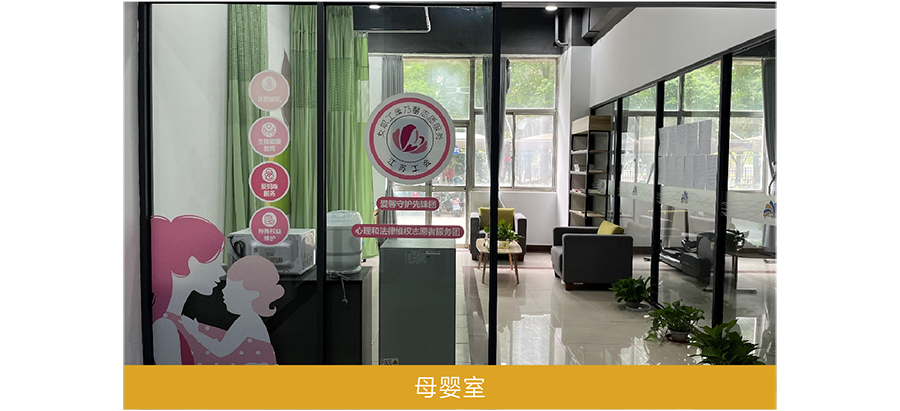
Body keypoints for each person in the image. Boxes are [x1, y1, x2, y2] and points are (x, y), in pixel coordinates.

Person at [179, 255, 284, 365]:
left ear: (253, 294)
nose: (223, 291)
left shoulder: (248, 321)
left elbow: (221, 350)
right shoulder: (249, 319)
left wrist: (195, 332)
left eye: (231, 288)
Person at [150, 215, 226, 365]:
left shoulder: (177, 320)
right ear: (193, 263)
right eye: (215, 263)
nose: (222, 272)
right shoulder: (166, 327)